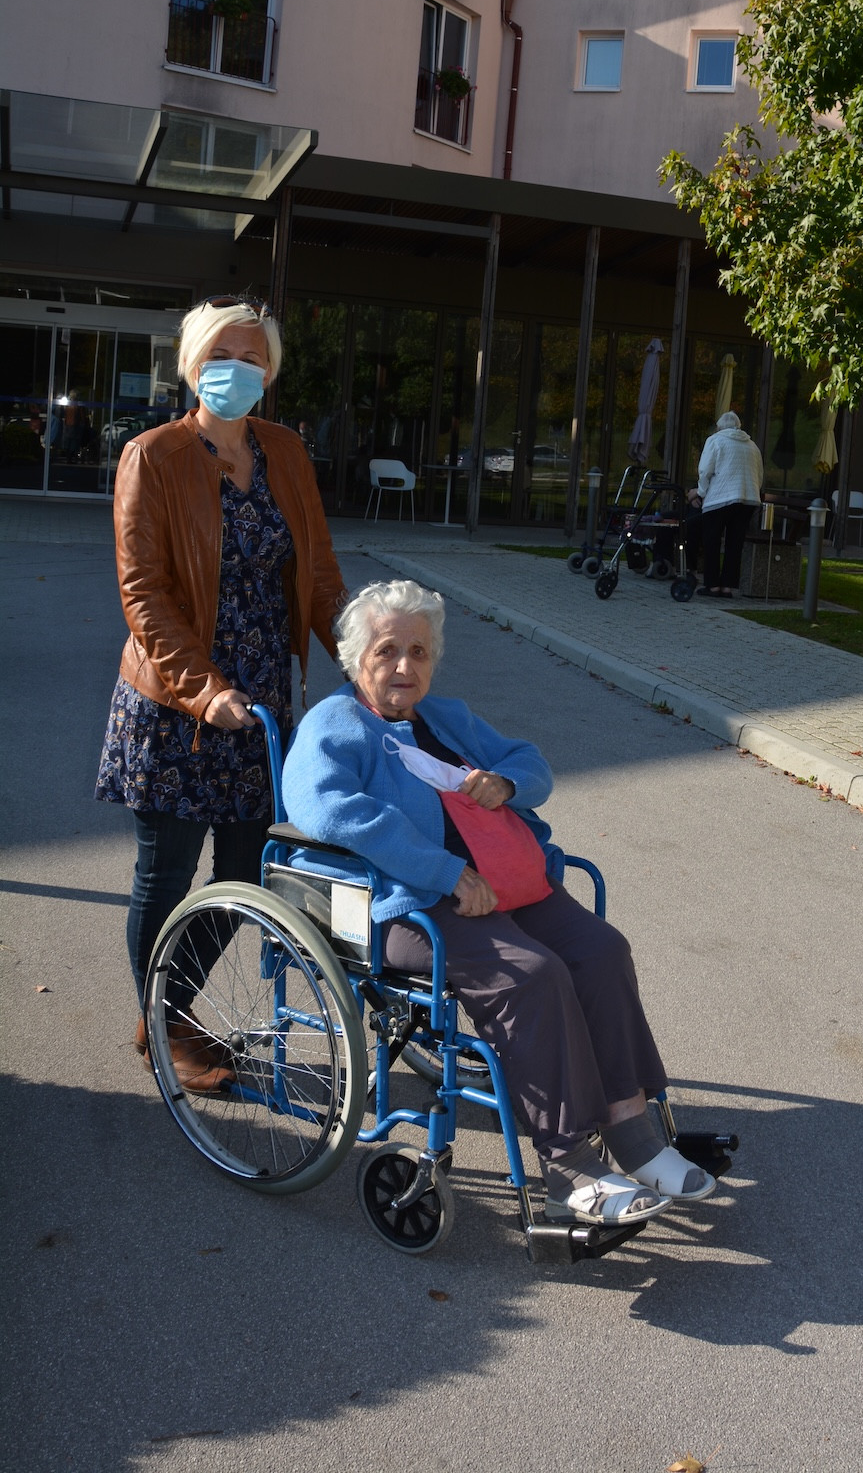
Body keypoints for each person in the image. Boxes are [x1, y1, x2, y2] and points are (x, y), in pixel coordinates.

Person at [281, 578, 715, 1227]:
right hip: (410, 904)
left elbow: (529, 761)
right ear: (355, 658)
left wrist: (506, 783)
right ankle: (569, 1163)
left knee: (601, 951)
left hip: (505, 884)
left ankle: (633, 1132)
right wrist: (445, 870)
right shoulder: (334, 725)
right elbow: (328, 810)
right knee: (531, 975)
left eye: (419, 652)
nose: (404, 666)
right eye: (387, 651)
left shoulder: (444, 718)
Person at [96, 296, 346, 1089]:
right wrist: (204, 690)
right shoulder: (153, 456)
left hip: (262, 701)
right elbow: (144, 595)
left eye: (251, 357)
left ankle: (165, 1007)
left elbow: (319, 572)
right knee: (165, 874)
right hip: (178, 705)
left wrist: (365, 654)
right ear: (192, 364)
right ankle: (169, 1025)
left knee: (243, 874)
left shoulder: (286, 452)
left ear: (269, 371)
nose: (235, 369)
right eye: (219, 355)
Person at [696, 410, 764, 596]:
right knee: (735, 543)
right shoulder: (752, 445)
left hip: (720, 497)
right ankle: (728, 586)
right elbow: (759, 475)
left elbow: (705, 470)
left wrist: (701, 492)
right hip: (748, 498)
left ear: (719, 427)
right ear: (738, 426)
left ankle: (712, 585)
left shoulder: (715, 440)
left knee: (712, 541)